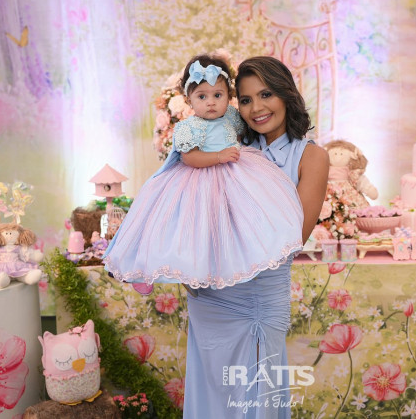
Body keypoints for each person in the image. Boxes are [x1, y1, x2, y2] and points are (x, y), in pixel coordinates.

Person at [182, 56, 329, 419]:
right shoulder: (230, 148)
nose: (257, 108)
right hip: (210, 296)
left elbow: (293, 236)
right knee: (211, 399)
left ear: (286, 94)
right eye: (246, 100)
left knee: (256, 402)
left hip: (259, 299)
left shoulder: (310, 156)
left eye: (266, 94)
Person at [103, 53, 304, 292]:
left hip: (237, 172)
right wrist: (219, 157)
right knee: (202, 221)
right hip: (201, 177)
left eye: (217, 95)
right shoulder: (189, 126)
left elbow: (241, 133)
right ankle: (200, 266)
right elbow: (189, 157)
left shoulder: (232, 117)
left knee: (243, 212)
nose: (210, 103)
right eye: (202, 96)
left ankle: (250, 251)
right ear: (189, 100)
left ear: (229, 97)